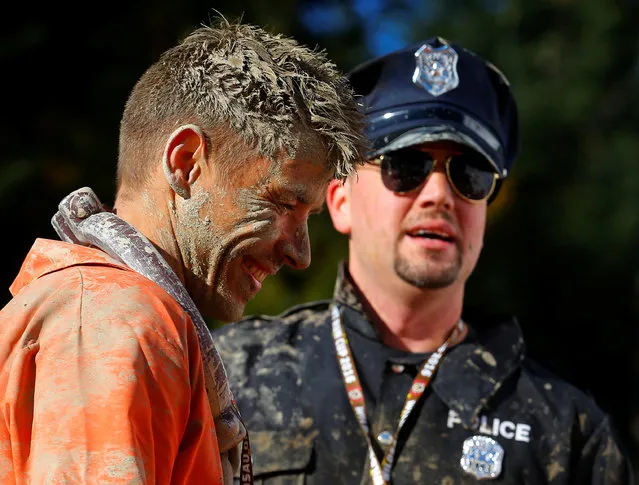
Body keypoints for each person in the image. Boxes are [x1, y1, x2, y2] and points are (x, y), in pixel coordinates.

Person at [213, 37, 635, 484]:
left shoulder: (566, 432)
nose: (439, 195)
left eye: (468, 174)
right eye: (405, 166)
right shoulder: (230, 376)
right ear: (340, 202)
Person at [0, 17, 366, 485]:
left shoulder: (106, 313)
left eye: (310, 216)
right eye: (284, 202)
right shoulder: (118, 321)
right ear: (185, 162)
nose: (300, 254)